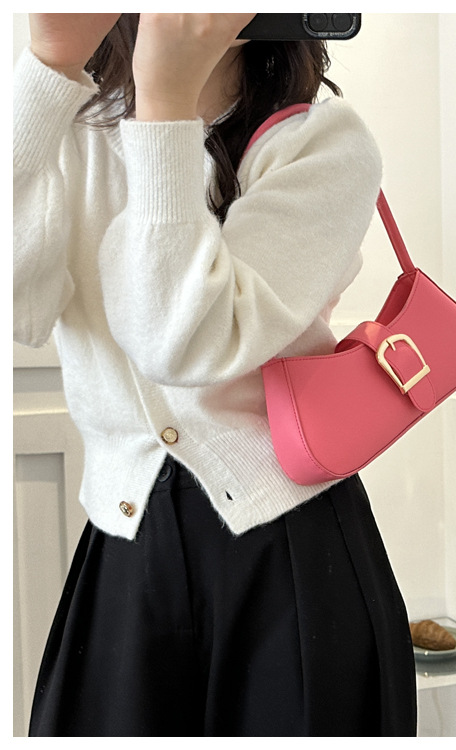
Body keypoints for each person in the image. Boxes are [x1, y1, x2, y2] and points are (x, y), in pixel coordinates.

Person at [14, 13, 417, 737]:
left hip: (290, 555)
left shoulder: (322, 142)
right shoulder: (73, 130)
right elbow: (18, 309)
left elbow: (183, 345)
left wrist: (163, 105)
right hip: (126, 547)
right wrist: (46, 67)